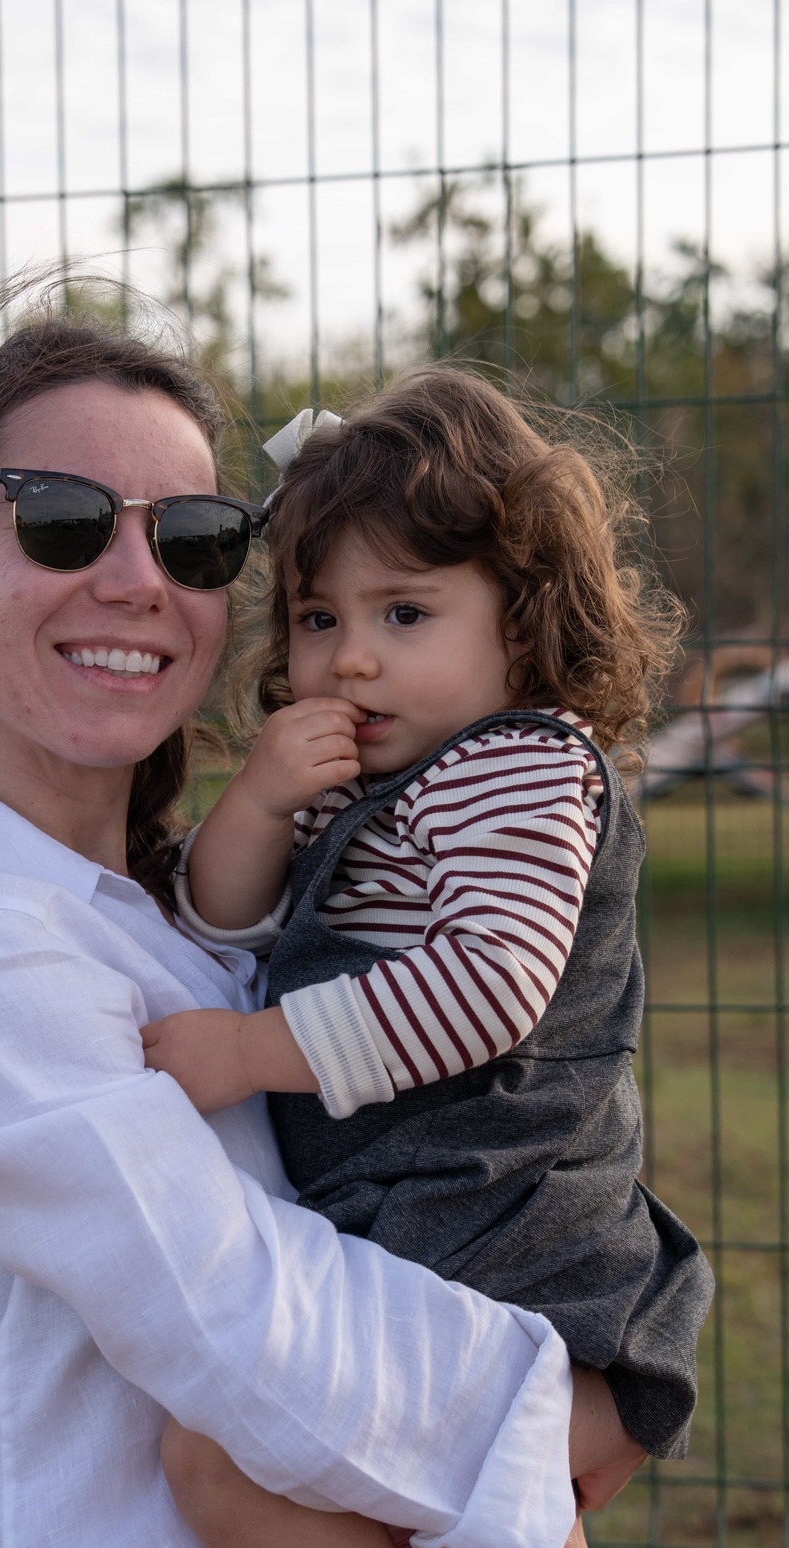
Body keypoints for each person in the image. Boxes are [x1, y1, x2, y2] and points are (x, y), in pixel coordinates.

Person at [0, 278, 643, 1547]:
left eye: (194, 539)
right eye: (63, 520)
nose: (138, 581)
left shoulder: (174, 901)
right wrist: (554, 1416)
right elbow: (244, 1322)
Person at [142, 368, 715, 1545]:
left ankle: (562, 1452)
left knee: (216, 1459)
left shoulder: (517, 765)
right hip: (420, 1241)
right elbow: (219, 924)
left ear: (522, 618)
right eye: (319, 619)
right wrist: (258, 802)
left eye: (404, 615)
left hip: (508, 1246)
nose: (352, 658)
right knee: (236, 1467)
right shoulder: (366, 781)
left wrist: (249, 1053)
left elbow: (490, 986)